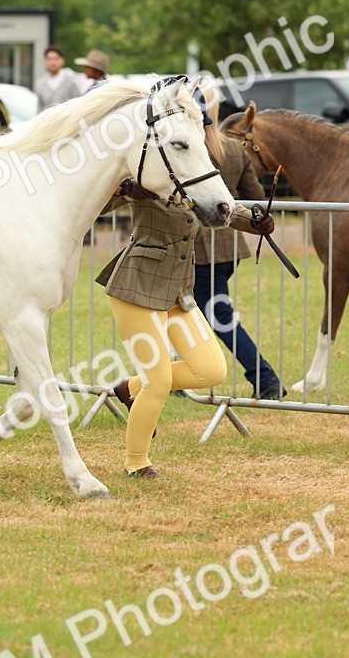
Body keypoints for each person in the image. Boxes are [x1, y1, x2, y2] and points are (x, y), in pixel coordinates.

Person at [98, 98, 275, 479]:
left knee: (209, 369)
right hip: (137, 288)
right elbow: (99, 203)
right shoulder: (148, 170)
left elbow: (222, 205)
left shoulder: (191, 172)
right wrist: (126, 190)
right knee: (159, 380)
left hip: (178, 292)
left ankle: (129, 388)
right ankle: (136, 462)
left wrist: (255, 221)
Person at [191, 100, 285, 401]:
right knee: (191, 312)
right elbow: (255, 196)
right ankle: (180, 375)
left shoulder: (190, 149)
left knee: (217, 314)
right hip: (229, 246)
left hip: (200, 248)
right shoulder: (234, 149)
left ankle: (264, 377)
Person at [35, 45, 82, 110]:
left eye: (56, 59)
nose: (53, 62)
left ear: (63, 60)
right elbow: (39, 109)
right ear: (45, 61)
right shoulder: (40, 84)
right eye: (49, 59)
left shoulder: (71, 79)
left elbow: (79, 102)